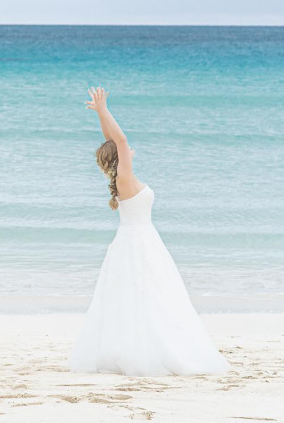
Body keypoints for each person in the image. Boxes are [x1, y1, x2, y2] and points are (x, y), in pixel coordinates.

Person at [70, 86, 228, 377]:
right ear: (119, 156)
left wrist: (99, 118)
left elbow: (111, 140)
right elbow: (120, 138)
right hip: (139, 243)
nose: (127, 148)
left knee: (140, 299)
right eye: (122, 149)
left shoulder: (120, 176)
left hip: (133, 242)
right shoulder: (125, 175)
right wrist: (104, 110)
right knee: (152, 298)